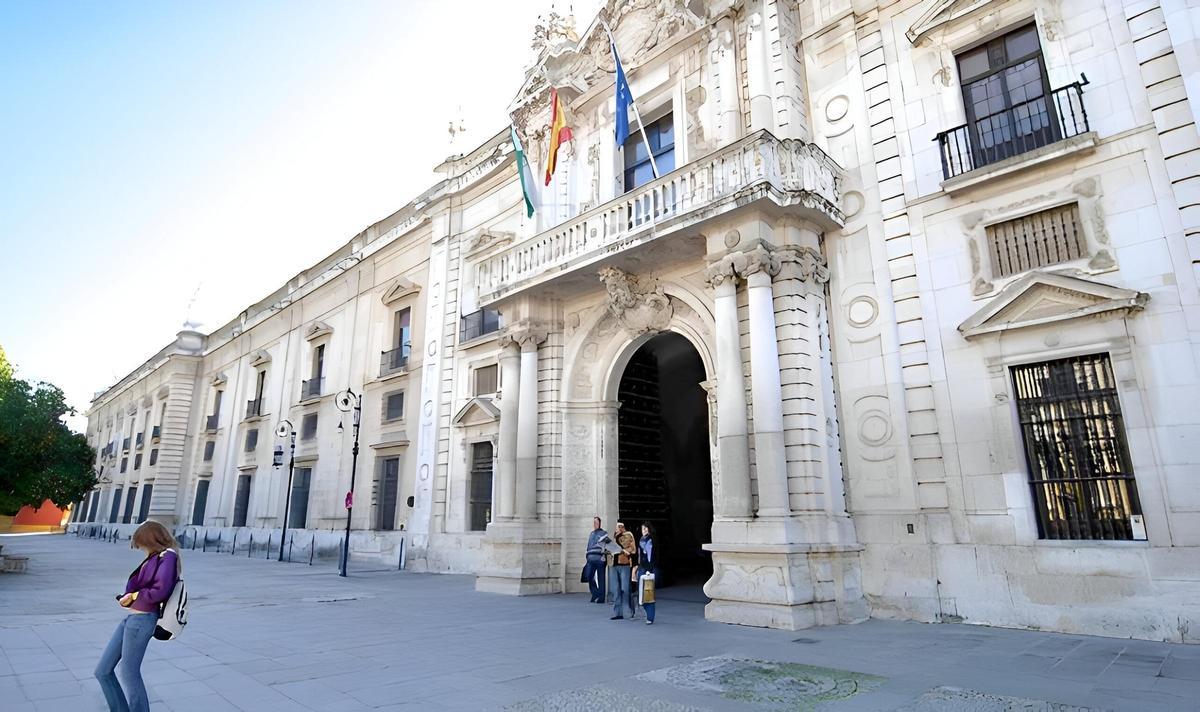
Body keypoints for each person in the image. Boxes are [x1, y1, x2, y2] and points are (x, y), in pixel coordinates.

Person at [95, 520, 181, 712]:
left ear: (152, 540)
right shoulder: (153, 557)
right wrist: (127, 597)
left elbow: (160, 590)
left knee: (129, 674)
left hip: (143, 620)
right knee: (102, 671)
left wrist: (134, 596)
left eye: (142, 543)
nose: (140, 547)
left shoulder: (168, 557)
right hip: (132, 619)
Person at [609, 521, 637, 620]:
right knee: (615, 589)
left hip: (624, 564)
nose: (617, 528)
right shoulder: (614, 537)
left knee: (625, 589)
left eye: (619, 526)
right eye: (616, 526)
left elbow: (633, 549)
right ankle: (618, 613)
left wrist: (623, 550)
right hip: (614, 564)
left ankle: (629, 612)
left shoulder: (628, 535)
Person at [638, 522, 658, 625]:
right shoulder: (641, 540)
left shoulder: (649, 540)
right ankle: (647, 615)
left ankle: (650, 617)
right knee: (643, 592)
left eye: (646, 529)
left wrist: (649, 569)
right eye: (643, 529)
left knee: (648, 593)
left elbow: (650, 556)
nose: (644, 531)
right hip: (642, 568)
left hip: (647, 569)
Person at [584, 516, 608, 603]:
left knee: (601, 578)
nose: (595, 524)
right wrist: (587, 555)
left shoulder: (604, 533)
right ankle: (595, 593)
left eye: (596, 522)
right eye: (594, 522)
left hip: (600, 558)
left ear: (600, 523)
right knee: (589, 576)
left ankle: (601, 597)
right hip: (590, 558)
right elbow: (589, 545)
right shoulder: (591, 534)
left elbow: (606, 545)